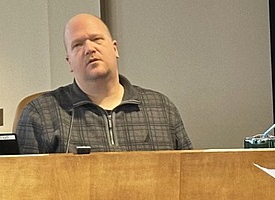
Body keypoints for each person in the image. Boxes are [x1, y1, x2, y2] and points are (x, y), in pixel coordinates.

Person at [16, 13, 193, 153]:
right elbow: (22, 188)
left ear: (115, 49)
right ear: (69, 61)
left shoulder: (161, 108)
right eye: (77, 45)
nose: (89, 49)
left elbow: (190, 176)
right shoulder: (40, 113)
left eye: (96, 39)